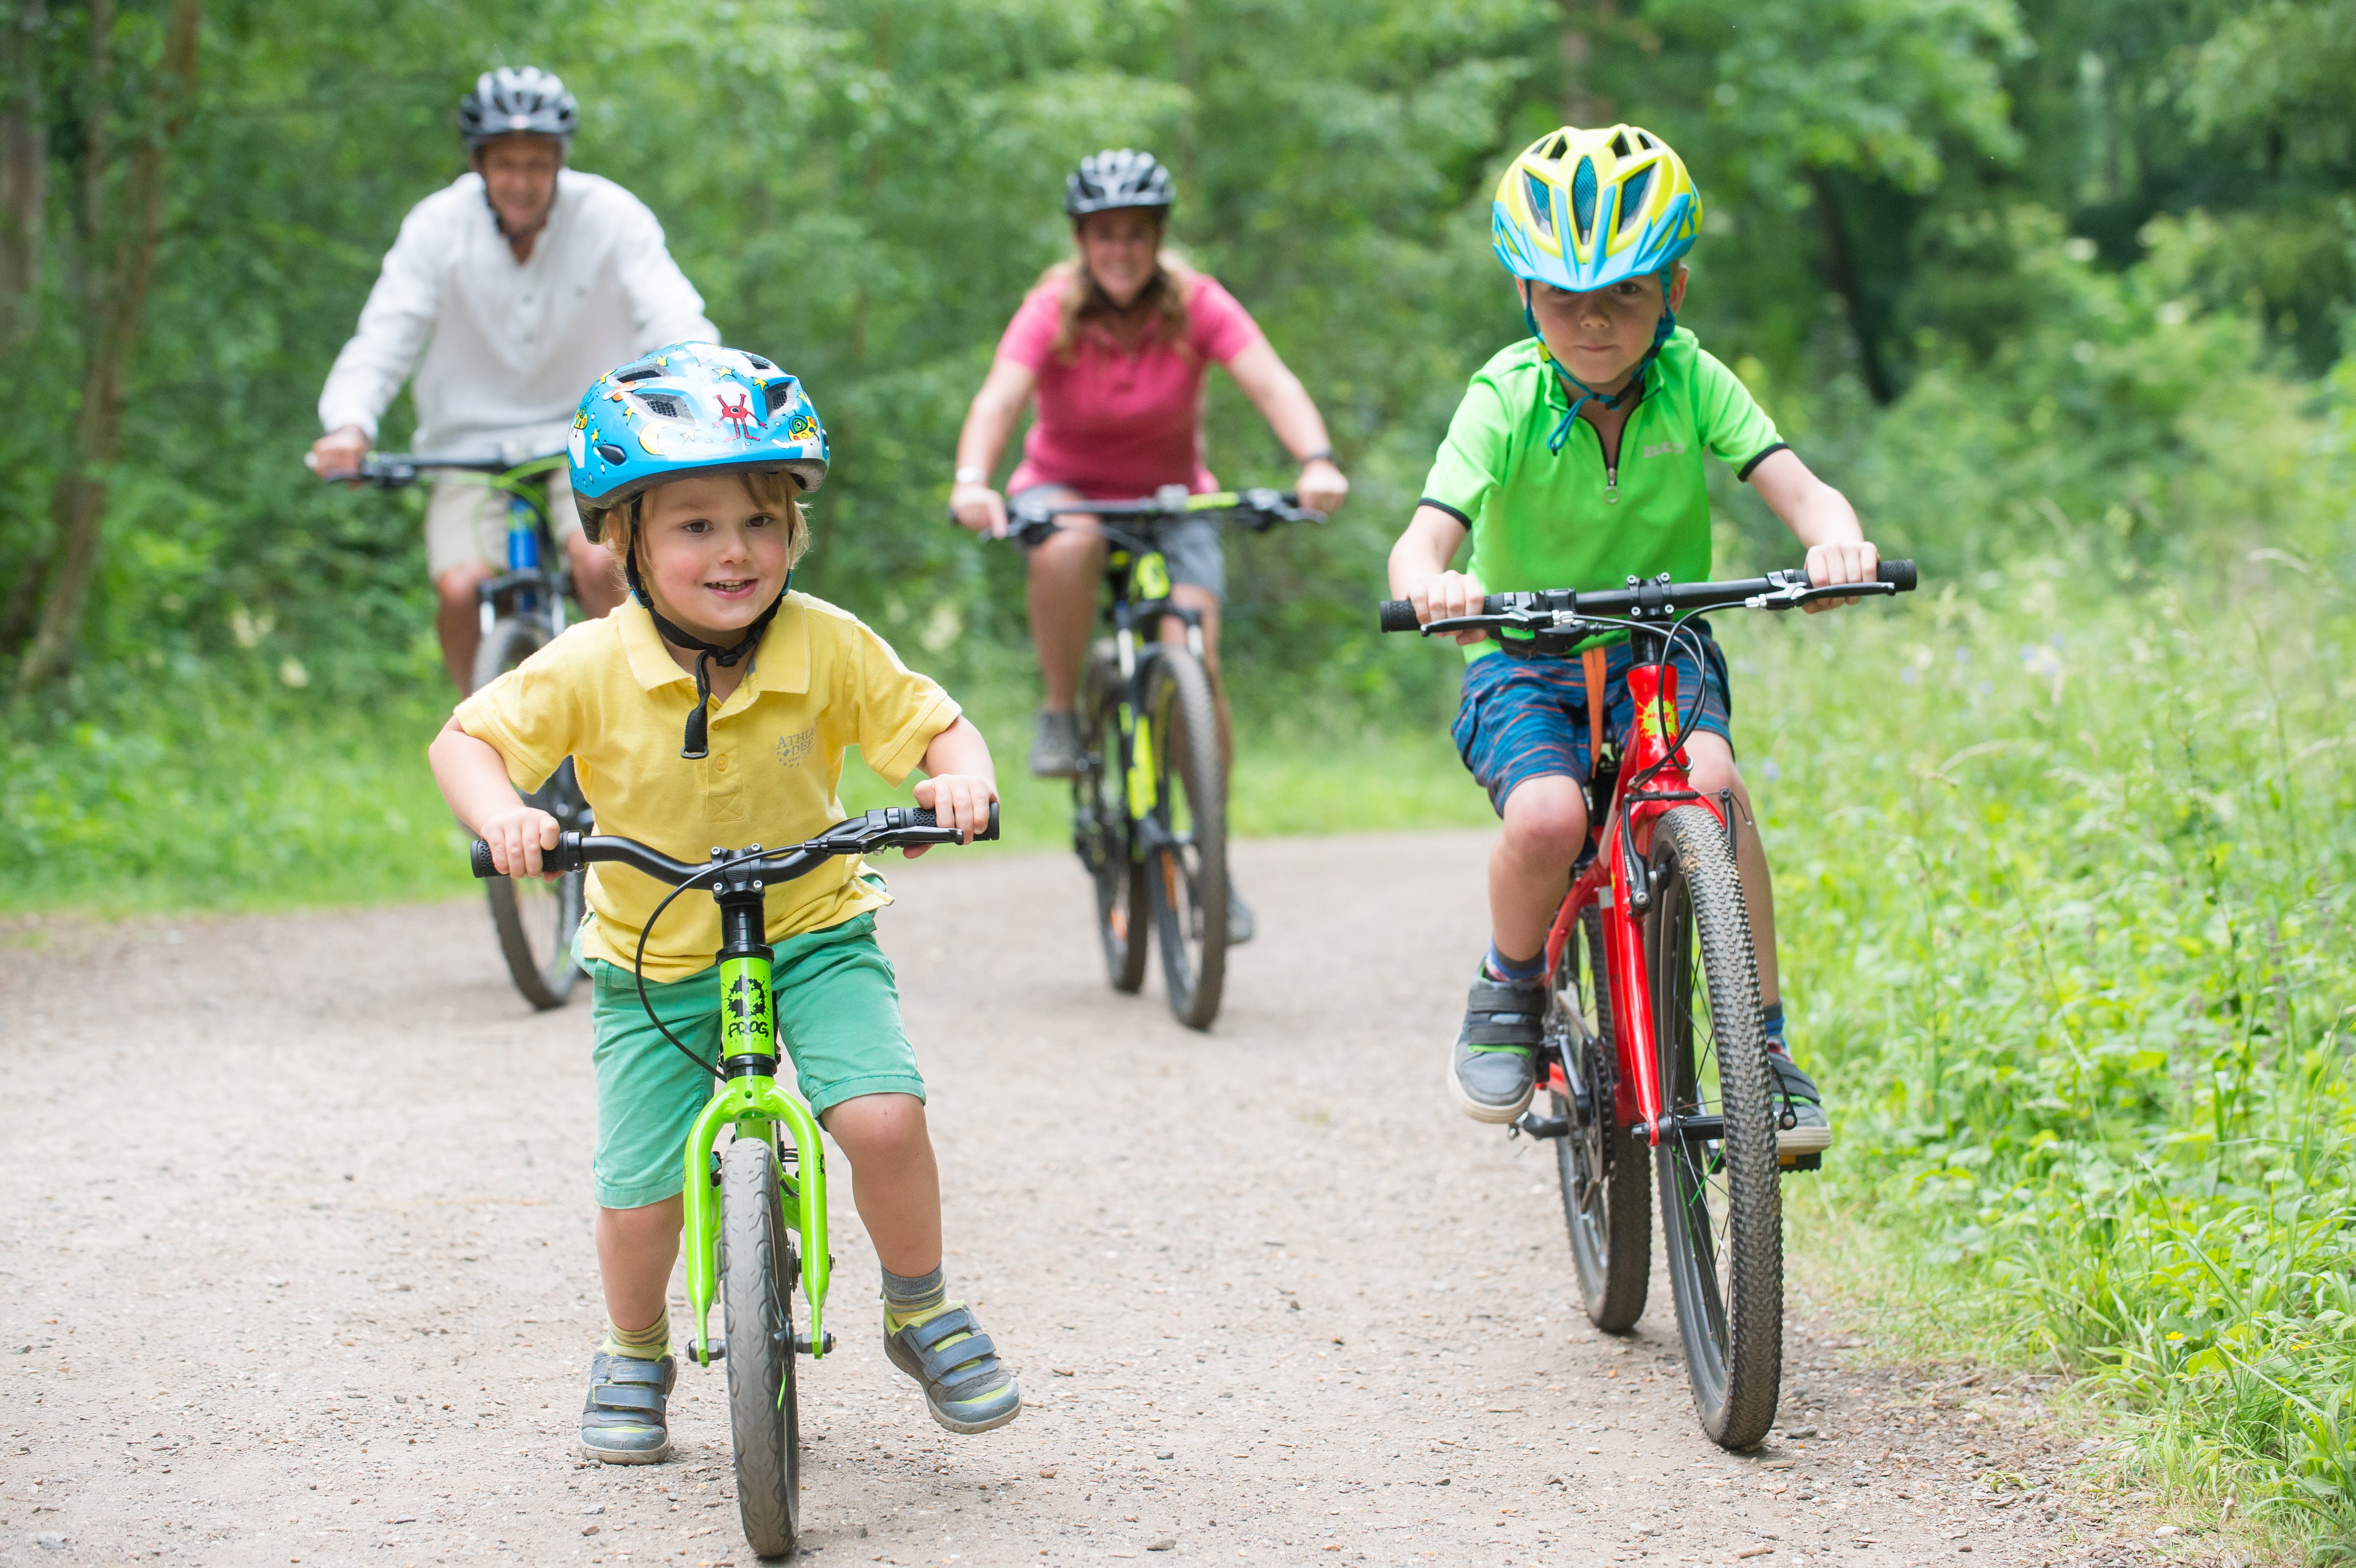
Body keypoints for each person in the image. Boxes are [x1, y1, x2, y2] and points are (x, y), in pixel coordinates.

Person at [428, 344, 1022, 1461]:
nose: (734, 550)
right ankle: (634, 1347)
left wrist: (959, 776)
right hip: (651, 954)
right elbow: (464, 739)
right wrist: (501, 814)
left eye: (759, 519)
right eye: (694, 525)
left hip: (813, 929)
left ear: (794, 530)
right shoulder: (589, 662)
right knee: (642, 1193)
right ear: (626, 543)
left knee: (884, 1116)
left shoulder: (830, 644)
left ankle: (921, 1305)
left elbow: (935, 723)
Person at [1388, 125, 1880, 1152]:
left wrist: (1837, 544)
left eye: (1624, 292)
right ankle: (1510, 987)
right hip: (1523, 654)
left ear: (1674, 293)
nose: (1595, 320)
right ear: (1525, 297)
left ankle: (1763, 1044)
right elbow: (1423, 538)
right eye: (1565, 296)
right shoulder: (1504, 396)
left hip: (1665, 647)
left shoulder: (1694, 380)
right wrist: (1436, 585)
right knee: (1546, 818)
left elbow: (1803, 491)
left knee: (1715, 789)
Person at [948, 148, 1350, 942]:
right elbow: (1000, 398)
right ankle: (1062, 711)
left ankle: (1211, 851)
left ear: (1158, 236)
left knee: (1195, 660)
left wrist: (1317, 460)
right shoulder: (1052, 307)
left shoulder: (1196, 303)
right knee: (1068, 545)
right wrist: (972, 479)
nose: (1121, 249)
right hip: (1065, 490)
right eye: (1104, 234)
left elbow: (1270, 380)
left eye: (1136, 233)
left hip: (1174, 499)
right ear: (1082, 240)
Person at [311, 66, 720, 692]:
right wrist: (349, 424)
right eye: (506, 165)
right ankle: (476, 733)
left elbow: (670, 314)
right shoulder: (436, 227)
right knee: (460, 586)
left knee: (598, 563)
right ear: (479, 164)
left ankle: (652, 708)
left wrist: (703, 388)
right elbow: (387, 336)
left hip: (590, 433)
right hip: (468, 444)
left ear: (560, 162)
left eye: (538, 164)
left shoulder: (611, 216)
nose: (522, 182)